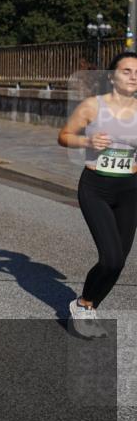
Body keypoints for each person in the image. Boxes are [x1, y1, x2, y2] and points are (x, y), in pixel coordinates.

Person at [58, 51, 137, 339]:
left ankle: (87, 306)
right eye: (127, 70)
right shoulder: (93, 106)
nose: (133, 76)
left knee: (120, 261)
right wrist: (87, 140)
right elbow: (64, 135)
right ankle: (82, 305)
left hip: (129, 189)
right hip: (96, 187)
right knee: (111, 258)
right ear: (112, 76)